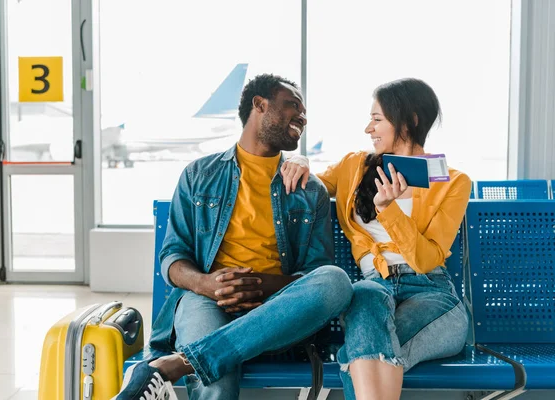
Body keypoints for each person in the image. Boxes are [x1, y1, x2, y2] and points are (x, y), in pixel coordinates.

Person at [112, 74, 353, 400]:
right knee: (217, 377)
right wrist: (208, 284)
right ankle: (197, 357)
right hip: (207, 299)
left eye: (304, 111)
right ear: (259, 105)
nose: (303, 117)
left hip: (277, 311)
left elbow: (315, 273)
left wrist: (257, 286)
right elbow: (172, 256)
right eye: (293, 105)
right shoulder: (199, 175)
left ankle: (177, 364)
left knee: (336, 281)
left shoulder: (310, 190)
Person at [281, 78, 471, 400]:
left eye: (377, 119)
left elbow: (425, 259)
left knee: (360, 349)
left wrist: (388, 210)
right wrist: (300, 160)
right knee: (364, 293)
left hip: (432, 294)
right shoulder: (354, 166)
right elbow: (314, 182)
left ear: (409, 121)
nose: (368, 128)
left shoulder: (452, 182)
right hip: (374, 286)